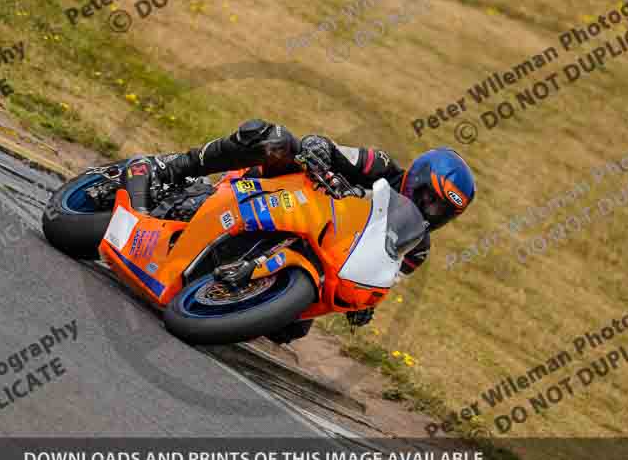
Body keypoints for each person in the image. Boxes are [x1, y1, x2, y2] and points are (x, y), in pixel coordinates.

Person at [124, 119, 476, 344]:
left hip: (321, 257)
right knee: (272, 137)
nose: (431, 210)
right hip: (284, 194)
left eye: (442, 210)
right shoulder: (380, 167)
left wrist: (364, 306)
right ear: (416, 177)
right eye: (430, 197)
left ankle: (230, 285)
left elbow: (380, 273)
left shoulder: (416, 247)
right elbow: (330, 147)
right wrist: (318, 149)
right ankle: (173, 169)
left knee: (289, 329)